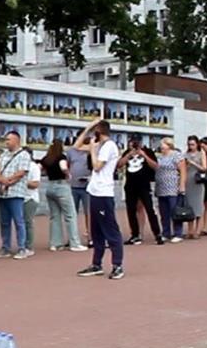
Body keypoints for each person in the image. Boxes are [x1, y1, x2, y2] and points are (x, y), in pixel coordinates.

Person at [74, 120, 125, 280]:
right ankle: (96, 264)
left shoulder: (109, 146)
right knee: (95, 232)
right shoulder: (99, 145)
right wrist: (87, 127)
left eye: (94, 130)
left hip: (104, 193)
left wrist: (93, 150)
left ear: (100, 131)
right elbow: (76, 146)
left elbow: (97, 166)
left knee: (110, 230)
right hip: (94, 191)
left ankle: (117, 265)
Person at [0, 131, 32, 259]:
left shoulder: (24, 155)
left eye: (9, 139)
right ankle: (5, 247)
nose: (6, 142)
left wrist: (7, 182)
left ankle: (22, 248)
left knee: (19, 221)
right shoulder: (3, 155)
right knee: (4, 222)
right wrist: (2, 181)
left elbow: (21, 173)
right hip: (2, 193)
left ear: (16, 140)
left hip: (16, 192)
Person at [41, 140, 84, 251]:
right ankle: (74, 243)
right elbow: (63, 167)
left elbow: (40, 169)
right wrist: (68, 175)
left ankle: (55, 243)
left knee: (55, 216)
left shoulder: (46, 158)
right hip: (61, 186)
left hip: (49, 187)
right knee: (70, 215)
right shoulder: (61, 157)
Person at [120, 138, 163, 245]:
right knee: (131, 210)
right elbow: (119, 164)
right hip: (130, 185)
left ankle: (157, 234)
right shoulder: (127, 152)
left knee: (150, 209)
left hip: (144, 185)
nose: (134, 146)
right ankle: (135, 234)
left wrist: (143, 155)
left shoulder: (148, 152)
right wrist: (129, 155)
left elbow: (155, 166)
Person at [151, 137, 187, 243]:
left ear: (169, 145)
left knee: (174, 211)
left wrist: (182, 185)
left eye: (163, 144)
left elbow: (183, 170)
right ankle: (166, 233)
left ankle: (178, 233)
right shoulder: (159, 156)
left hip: (173, 187)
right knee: (164, 212)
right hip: (161, 188)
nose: (162, 146)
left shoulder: (176, 155)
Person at [182, 136, 207, 240]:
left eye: (193, 144)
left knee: (198, 206)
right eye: (189, 144)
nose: (191, 146)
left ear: (197, 144)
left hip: (197, 180)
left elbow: (204, 168)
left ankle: (198, 230)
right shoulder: (185, 154)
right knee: (189, 206)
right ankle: (190, 230)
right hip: (188, 180)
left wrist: (192, 163)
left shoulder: (201, 153)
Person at [22, 149, 42, 253]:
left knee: (28, 222)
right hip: (20, 197)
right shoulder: (19, 165)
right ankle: (22, 244)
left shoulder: (33, 167)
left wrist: (22, 182)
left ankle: (29, 246)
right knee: (20, 222)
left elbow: (35, 184)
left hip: (30, 198)